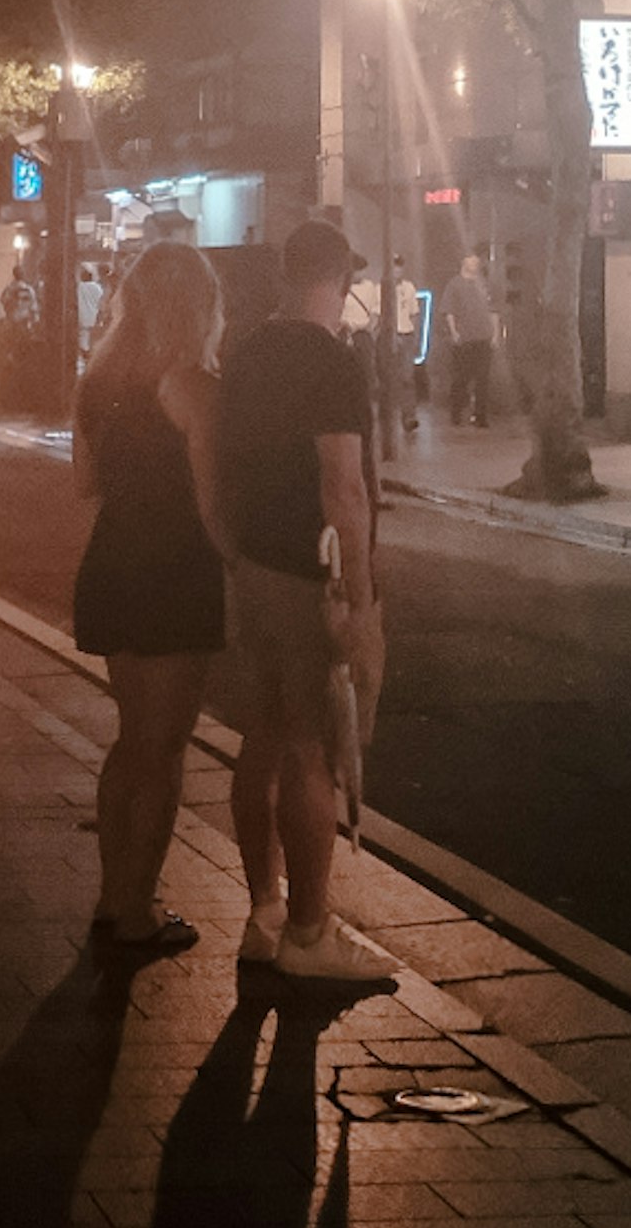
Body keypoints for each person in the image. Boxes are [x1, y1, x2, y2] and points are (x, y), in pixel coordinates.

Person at [213, 218, 394, 984]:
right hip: (307, 572)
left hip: (250, 565)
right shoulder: (331, 361)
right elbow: (342, 484)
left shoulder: (245, 351)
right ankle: (312, 933)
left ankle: (265, 912)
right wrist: (356, 593)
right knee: (311, 744)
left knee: (259, 737)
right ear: (343, 279)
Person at [68, 242, 230, 955]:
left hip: (111, 562)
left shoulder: (96, 381)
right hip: (175, 571)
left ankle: (113, 894)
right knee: (164, 750)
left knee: (132, 738)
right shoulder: (192, 384)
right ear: (197, 305)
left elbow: (82, 483)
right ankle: (138, 910)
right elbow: (213, 503)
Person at [441, 253, 498, 428]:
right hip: (464, 338)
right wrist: (454, 331)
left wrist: (495, 334)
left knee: (483, 379)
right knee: (461, 378)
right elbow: (449, 310)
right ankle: (456, 413)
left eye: (476, 261)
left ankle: (481, 415)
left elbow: (493, 311)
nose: (475, 263)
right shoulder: (454, 284)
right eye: (471, 260)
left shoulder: (484, 285)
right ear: (463, 262)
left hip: (483, 337)